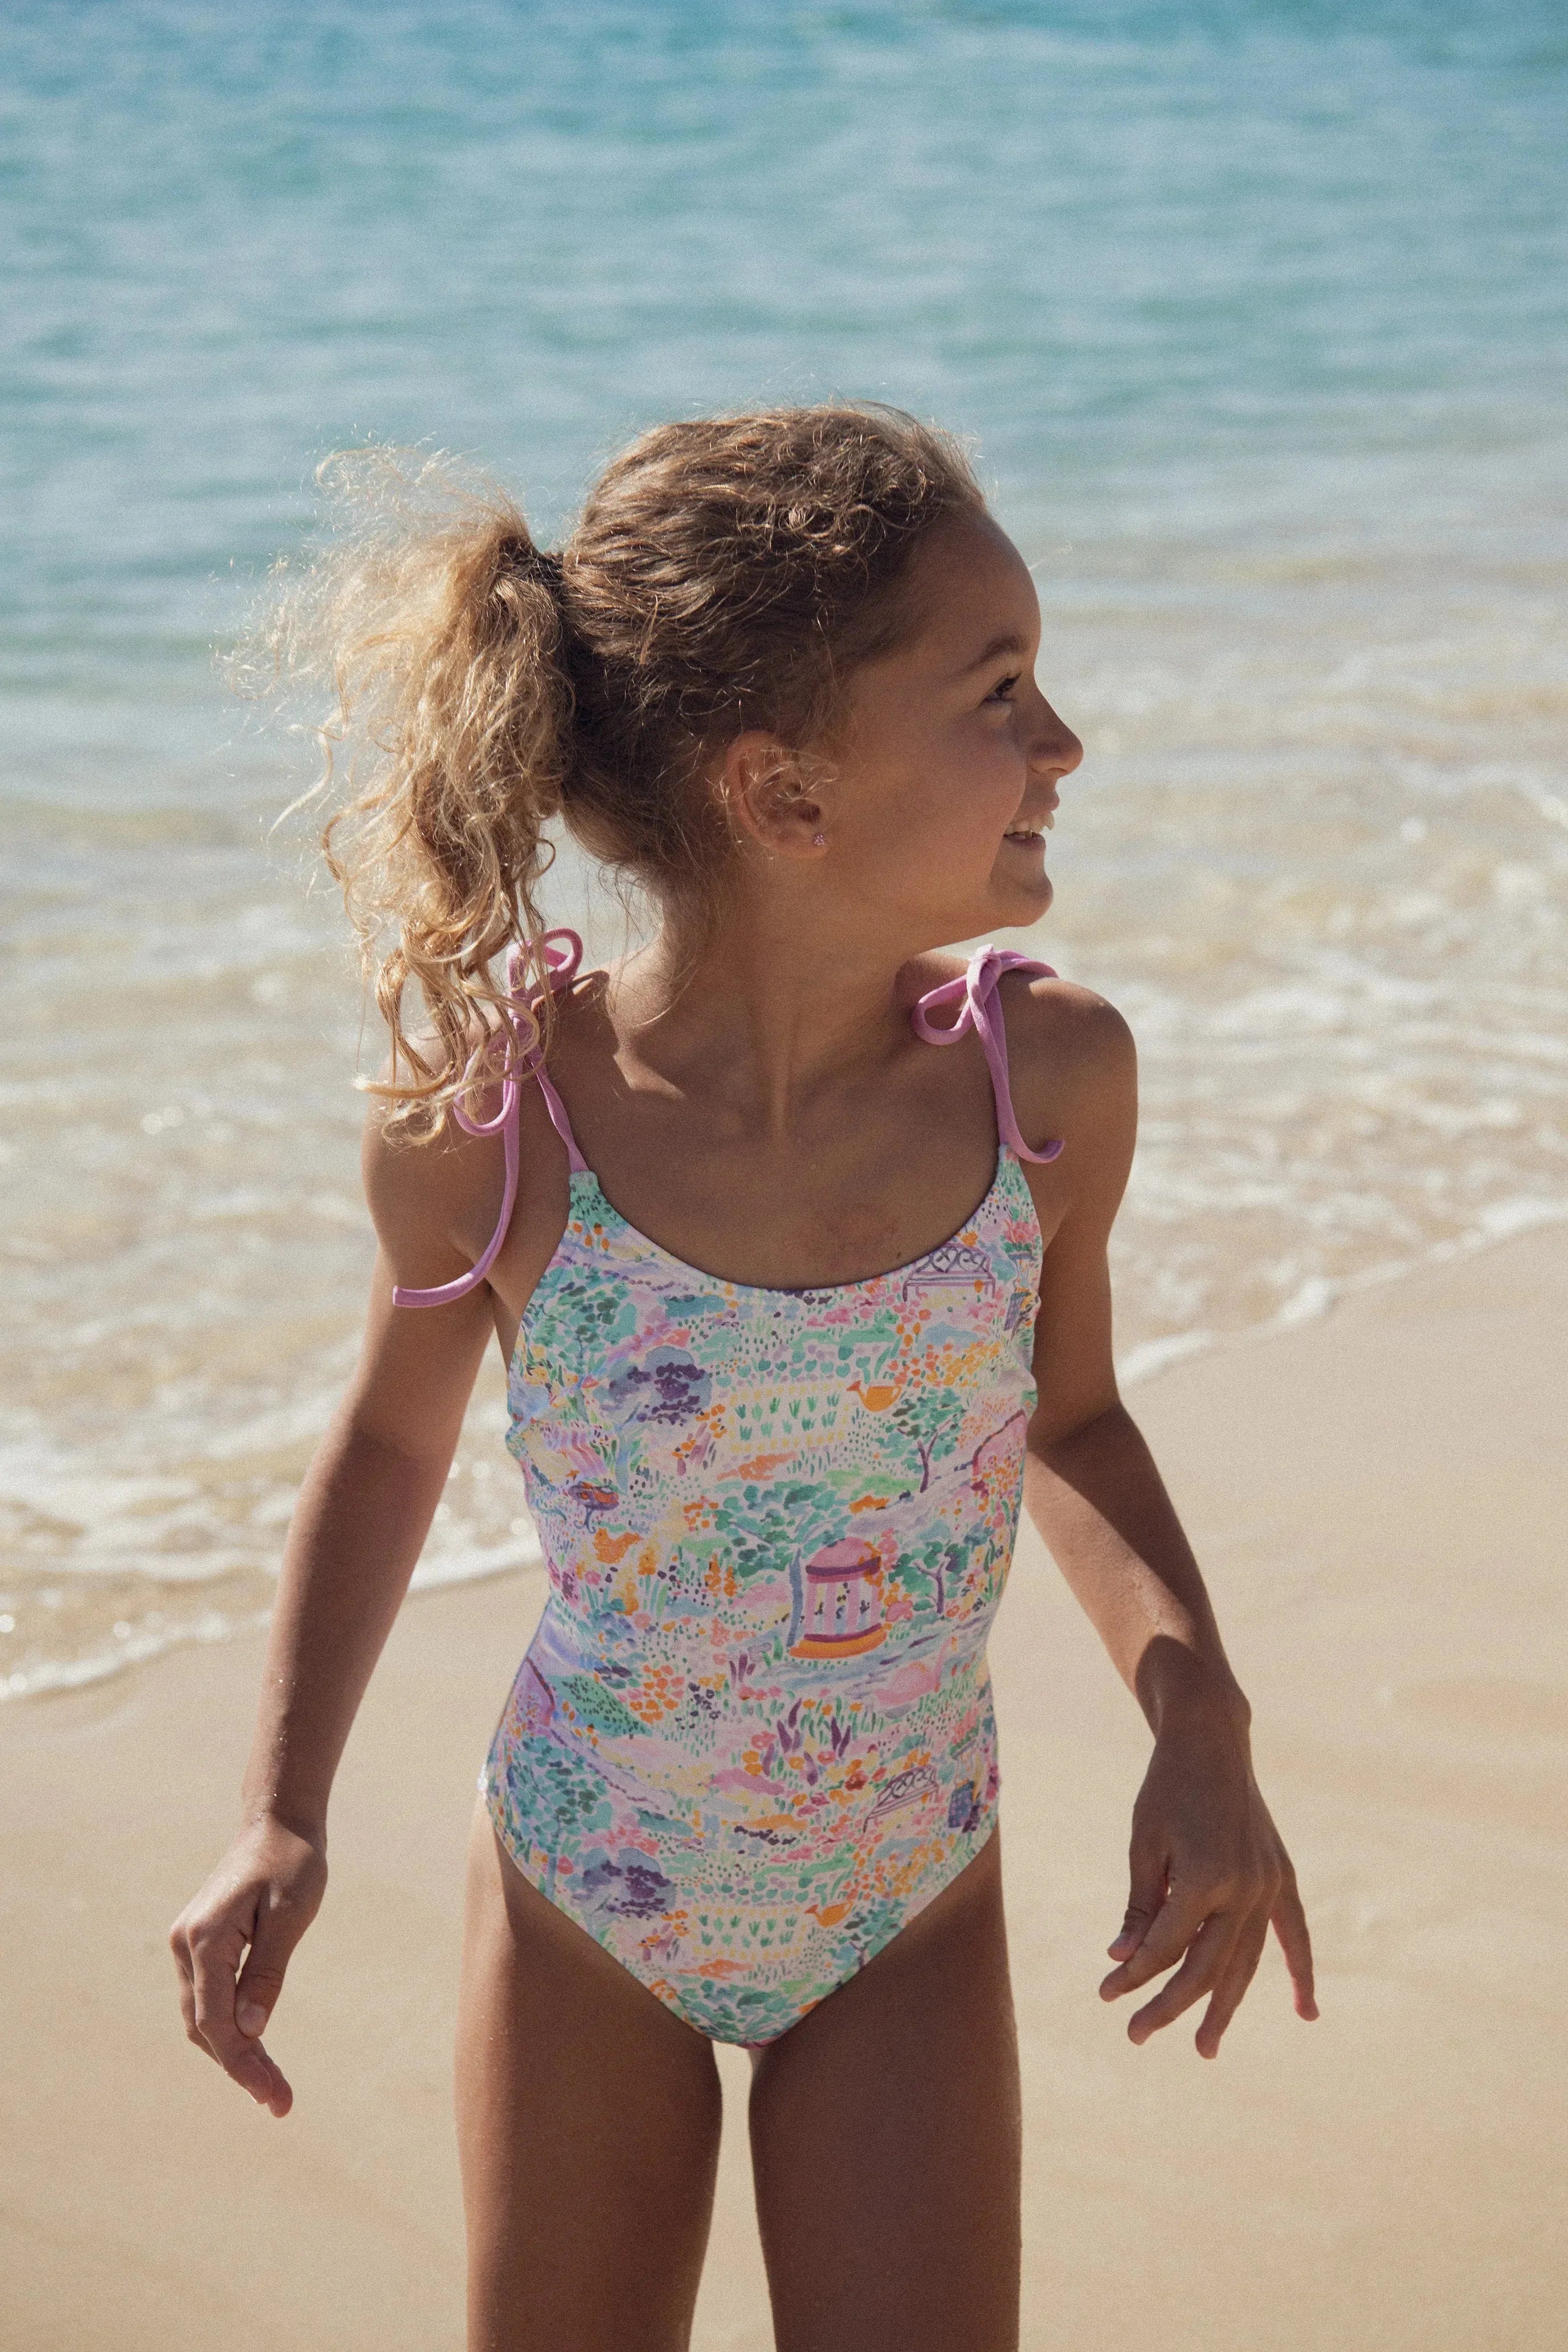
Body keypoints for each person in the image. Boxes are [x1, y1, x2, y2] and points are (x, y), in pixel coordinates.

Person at [169, 405, 1316, 2352]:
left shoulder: (1046, 1088)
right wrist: (285, 1809)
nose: (1064, 742)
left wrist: (1200, 1711)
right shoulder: (502, 1122)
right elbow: (384, 1446)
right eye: (1001, 693)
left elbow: (1073, 1418)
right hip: (589, 1892)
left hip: (906, 1896)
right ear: (784, 793)